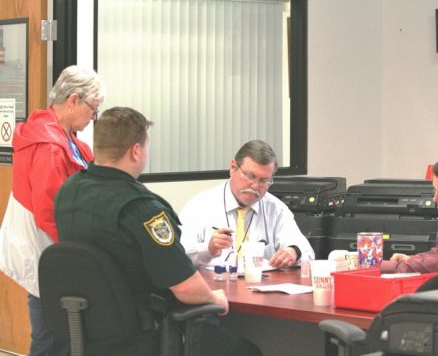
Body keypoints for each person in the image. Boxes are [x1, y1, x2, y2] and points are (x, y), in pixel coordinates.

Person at [54, 107, 261, 356]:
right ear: (136, 150)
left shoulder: (69, 191)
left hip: (85, 332)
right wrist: (215, 299)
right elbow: (186, 288)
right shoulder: (142, 209)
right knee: (247, 352)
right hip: (144, 336)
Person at [0, 65, 105, 356]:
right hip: (46, 245)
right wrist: (83, 251)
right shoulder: (49, 146)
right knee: (50, 338)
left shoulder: (61, 136)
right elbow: (50, 211)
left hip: (48, 247)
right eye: (93, 109)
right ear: (73, 100)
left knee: (57, 332)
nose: (94, 117)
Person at [178, 140, 315, 269]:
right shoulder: (200, 205)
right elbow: (178, 255)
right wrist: (208, 249)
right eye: (250, 176)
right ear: (233, 168)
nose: (255, 185)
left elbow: (307, 252)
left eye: (264, 181)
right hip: (215, 288)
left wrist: (293, 251)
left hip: (262, 288)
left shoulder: (276, 209)